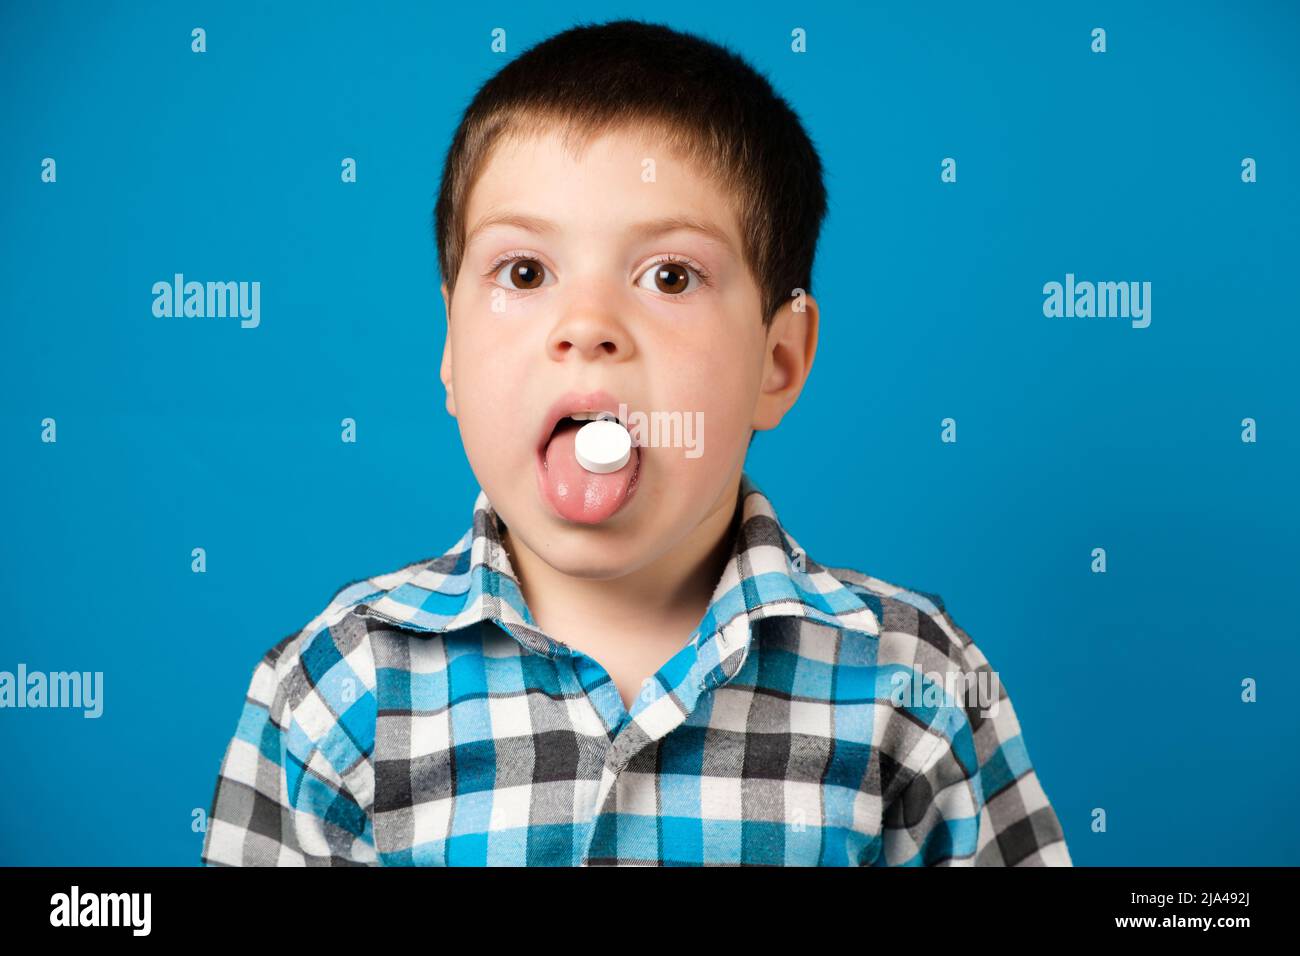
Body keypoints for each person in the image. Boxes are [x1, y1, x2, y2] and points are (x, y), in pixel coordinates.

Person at [201, 18, 1071, 866]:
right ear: (450, 353)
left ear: (778, 360)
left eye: (669, 276)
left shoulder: (909, 683)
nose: (588, 326)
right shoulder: (336, 690)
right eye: (525, 272)